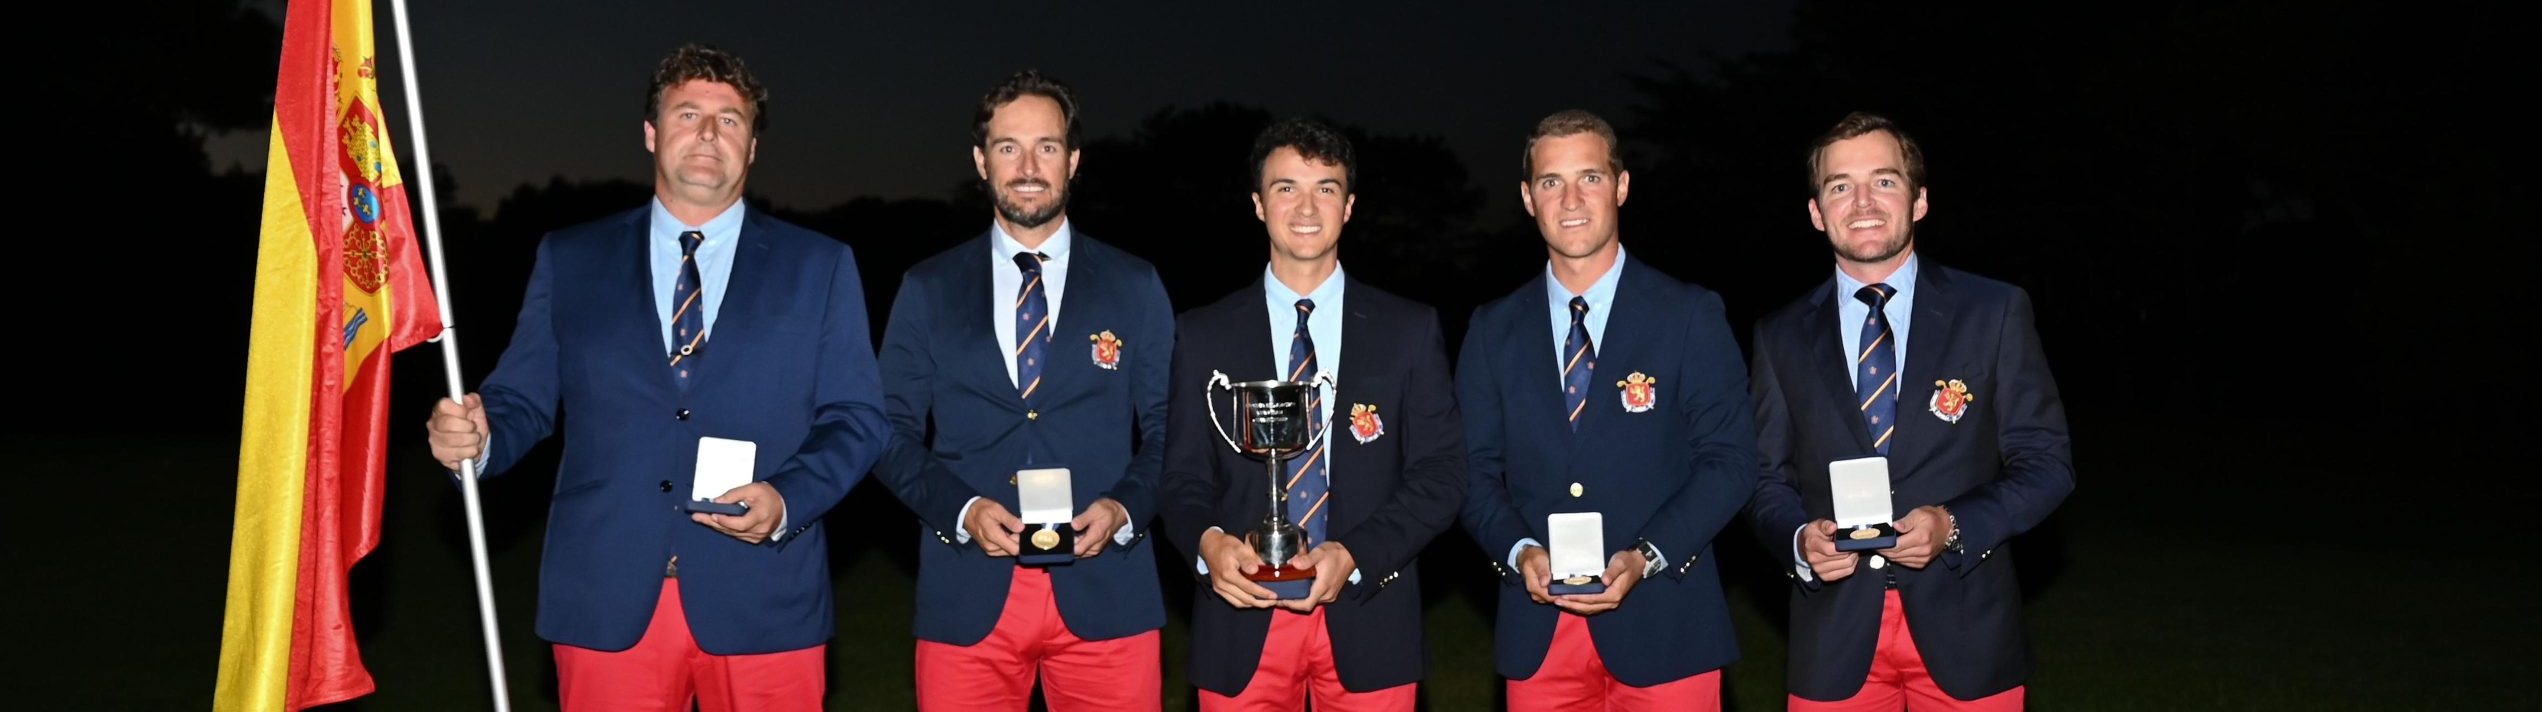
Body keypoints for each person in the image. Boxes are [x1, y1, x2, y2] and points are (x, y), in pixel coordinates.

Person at [422, 43, 887, 711]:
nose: (707, 133)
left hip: (763, 598)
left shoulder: (819, 266)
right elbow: (521, 398)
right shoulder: (572, 258)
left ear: (752, 147)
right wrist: (479, 435)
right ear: (650, 132)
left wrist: (789, 498)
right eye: (688, 113)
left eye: (730, 121)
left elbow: (857, 418)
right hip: (607, 596)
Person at [1746, 111, 2075, 711]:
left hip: (1969, 629)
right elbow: (1765, 479)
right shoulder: (1779, 335)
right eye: (1840, 185)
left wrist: (1952, 526)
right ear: (1817, 212)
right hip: (1834, 639)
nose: (1863, 201)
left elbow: (2047, 464)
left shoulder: (1993, 312)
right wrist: (1798, 539)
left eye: (1885, 181)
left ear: (1919, 200)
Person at [869, 70, 1174, 711]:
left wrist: (1123, 510)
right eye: (1009, 147)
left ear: (1074, 160)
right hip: (968, 591)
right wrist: (960, 511)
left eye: (1048, 146)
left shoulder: (1134, 283)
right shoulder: (928, 288)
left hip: (1107, 589)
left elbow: (1172, 427)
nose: (1029, 166)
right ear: (981, 161)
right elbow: (887, 431)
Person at [1158, 117, 1468, 711]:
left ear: (1349, 206)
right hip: (1240, 619)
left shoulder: (1408, 329)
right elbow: (1180, 477)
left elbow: (1442, 474)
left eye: (1325, 188)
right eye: (1285, 188)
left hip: (1368, 611)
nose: (1306, 207)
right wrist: (1210, 544)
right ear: (1257, 204)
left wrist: (1353, 555)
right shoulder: (1201, 335)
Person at [1455, 110, 1755, 711]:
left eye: (1589, 178)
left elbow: (1729, 462)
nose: (1571, 199)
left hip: (1667, 621)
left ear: (1620, 186)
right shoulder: (1493, 329)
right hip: (1539, 631)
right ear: (1527, 197)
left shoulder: (1689, 314)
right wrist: (1519, 552)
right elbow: (1470, 470)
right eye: (1550, 182)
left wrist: (1645, 557)